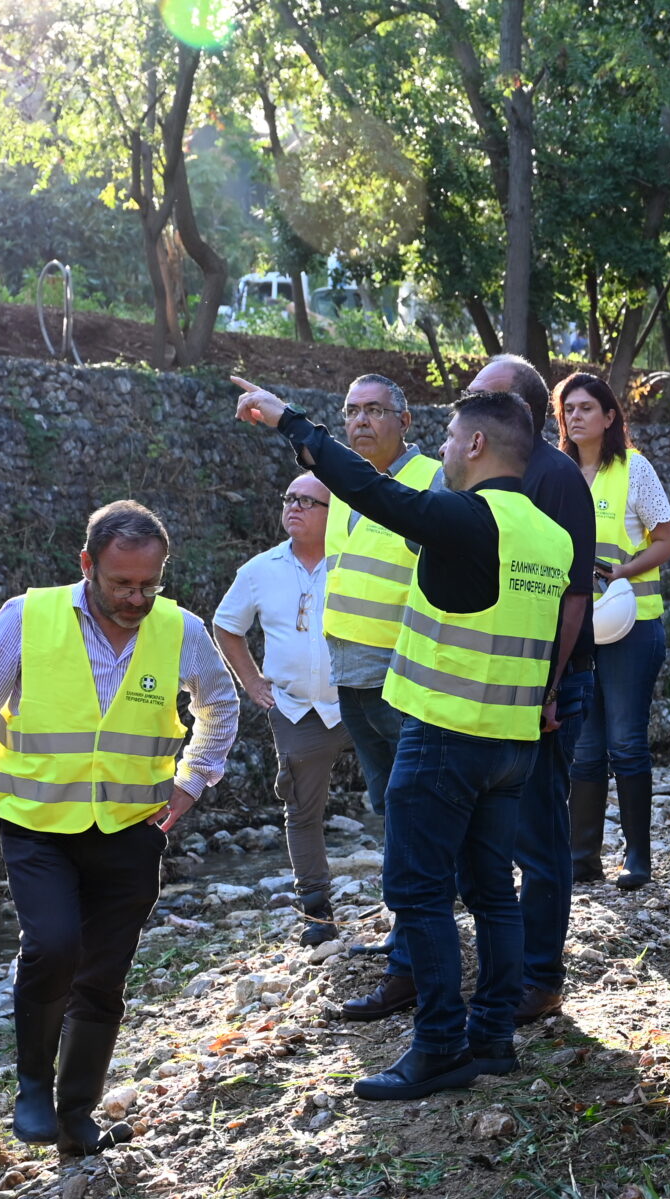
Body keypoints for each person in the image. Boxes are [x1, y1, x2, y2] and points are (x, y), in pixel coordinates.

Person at [233, 378, 589, 1099]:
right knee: (491, 890)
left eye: (453, 439)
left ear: (479, 445)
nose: (447, 451)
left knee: (418, 890)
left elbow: (373, 492)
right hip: (511, 740)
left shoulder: (466, 518)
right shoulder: (548, 537)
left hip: (443, 735)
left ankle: (437, 1046)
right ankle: (491, 1037)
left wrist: (290, 422)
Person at [0, 501, 239, 1154]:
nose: (136, 597)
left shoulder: (180, 630)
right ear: (87, 565)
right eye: (121, 583)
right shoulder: (27, 618)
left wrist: (192, 779)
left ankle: (76, 1118)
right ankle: (33, 1085)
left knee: (102, 977)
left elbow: (221, 702)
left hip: (130, 830)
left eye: (148, 584)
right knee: (53, 946)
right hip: (36, 825)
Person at [467, 354, 598, 1022]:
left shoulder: (557, 478)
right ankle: (508, 969)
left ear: (516, 408)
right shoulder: (485, 477)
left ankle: (542, 978)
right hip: (494, 687)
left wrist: (548, 688)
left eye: (481, 397)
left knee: (540, 837)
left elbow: (573, 598)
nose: (467, 409)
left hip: (547, 691)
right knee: (499, 835)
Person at [320, 373, 444, 1022]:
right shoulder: (345, 482)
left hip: (402, 669)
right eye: (352, 410)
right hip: (351, 668)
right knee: (386, 804)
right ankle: (411, 928)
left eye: (374, 410)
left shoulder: (428, 480)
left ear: (405, 418)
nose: (361, 420)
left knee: (414, 806)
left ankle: (415, 946)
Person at [213, 472, 350, 946]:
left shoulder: (356, 561)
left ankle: (412, 899)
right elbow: (227, 626)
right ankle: (317, 911)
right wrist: (250, 681)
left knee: (402, 796)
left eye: (308, 502)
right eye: (289, 498)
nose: (294, 507)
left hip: (361, 701)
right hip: (294, 709)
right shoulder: (259, 569)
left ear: (335, 515)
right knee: (301, 809)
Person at [555, 370, 670, 890]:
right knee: (583, 747)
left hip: (632, 626)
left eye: (586, 408)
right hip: (574, 628)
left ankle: (637, 859)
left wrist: (621, 573)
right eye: (568, 408)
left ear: (609, 418)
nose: (576, 416)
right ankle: (583, 859)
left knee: (626, 743)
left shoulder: (635, 468)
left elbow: (667, 541)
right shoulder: (553, 472)